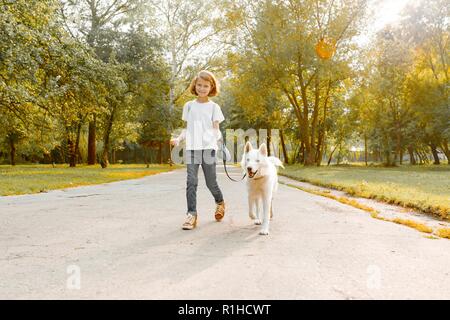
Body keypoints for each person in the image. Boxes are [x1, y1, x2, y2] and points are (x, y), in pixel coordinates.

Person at [170, 70, 225, 230]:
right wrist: (178, 139)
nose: (202, 88)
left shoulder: (214, 107)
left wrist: (216, 138)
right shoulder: (189, 106)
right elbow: (187, 129)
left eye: (205, 86)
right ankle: (191, 215)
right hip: (192, 149)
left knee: (211, 183)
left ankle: (220, 202)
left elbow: (216, 129)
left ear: (211, 87)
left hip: (208, 149)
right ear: (195, 85)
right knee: (191, 182)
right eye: (199, 85)